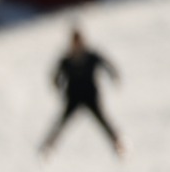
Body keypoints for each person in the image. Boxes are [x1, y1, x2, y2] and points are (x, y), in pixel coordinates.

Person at [40, 27, 123, 159]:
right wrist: (57, 85)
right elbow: (56, 76)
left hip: (90, 96)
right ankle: (48, 146)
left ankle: (118, 143)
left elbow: (107, 65)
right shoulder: (67, 60)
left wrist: (114, 76)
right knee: (61, 122)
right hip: (73, 97)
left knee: (103, 120)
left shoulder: (91, 56)